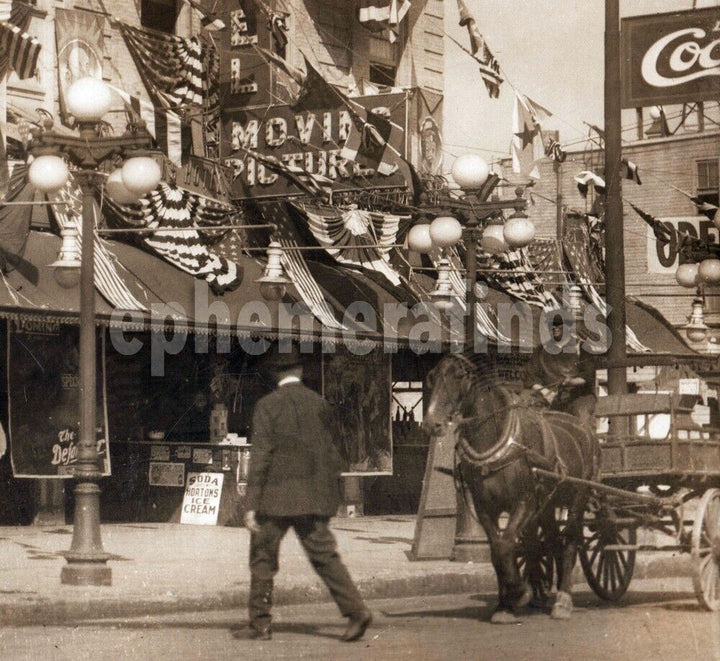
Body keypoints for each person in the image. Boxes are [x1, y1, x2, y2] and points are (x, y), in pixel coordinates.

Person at [241, 342, 372, 642]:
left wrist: (251, 504)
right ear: (299, 370)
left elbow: (261, 458)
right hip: (313, 498)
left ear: (276, 375)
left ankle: (260, 624)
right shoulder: (320, 404)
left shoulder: (267, 406)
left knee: (262, 557)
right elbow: (334, 453)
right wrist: (328, 497)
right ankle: (356, 611)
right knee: (326, 557)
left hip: (275, 499)